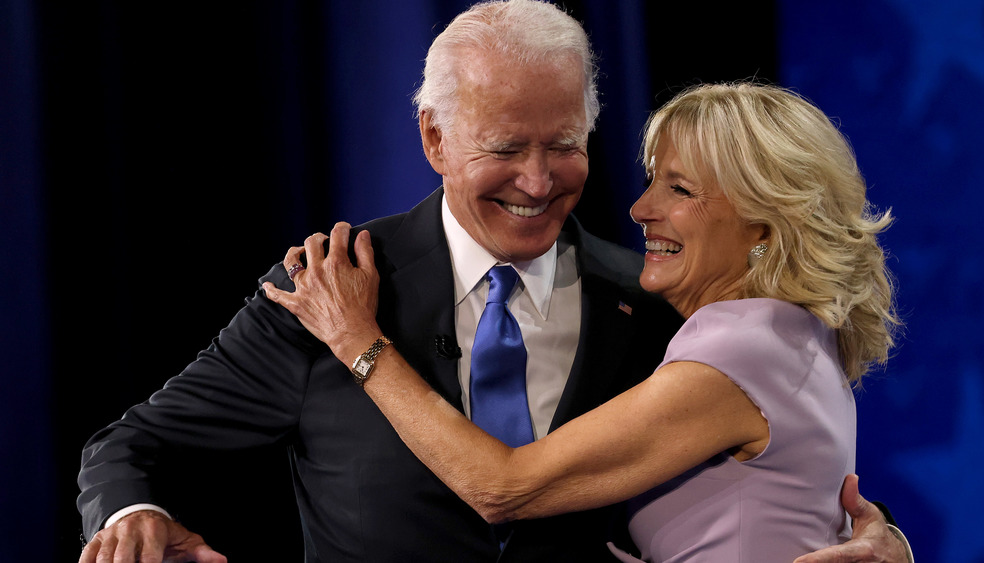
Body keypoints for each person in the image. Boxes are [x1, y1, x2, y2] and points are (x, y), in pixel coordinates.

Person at [77, 2, 910, 562]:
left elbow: (772, 484)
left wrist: (885, 543)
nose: (540, 181)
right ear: (434, 138)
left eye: (564, 144)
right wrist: (129, 516)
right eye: (507, 149)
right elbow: (130, 442)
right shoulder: (330, 289)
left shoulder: (660, 308)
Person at [262, 82, 908, 562]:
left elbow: (502, 487)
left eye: (679, 190)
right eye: (653, 180)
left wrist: (356, 339)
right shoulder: (791, 333)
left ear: (764, 221)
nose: (640, 207)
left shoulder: (741, 343)